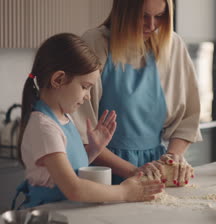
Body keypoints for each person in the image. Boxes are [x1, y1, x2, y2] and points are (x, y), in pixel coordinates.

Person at [71, 0, 202, 186]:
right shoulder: (95, 43)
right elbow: (81, 134)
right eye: (143, 16)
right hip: (101, 174)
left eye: (159, 16)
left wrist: (172, 158)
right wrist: (134, 171)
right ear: (124, 11)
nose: (152, 25)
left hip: (153, 172)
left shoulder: (173, 46)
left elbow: (188, 119)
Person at [12, 33, 164, 209]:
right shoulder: (44, 127)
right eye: (85, 87)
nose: (87, 97)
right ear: (58, 79)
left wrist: (93, 150)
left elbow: (69, 169)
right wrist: (125, 192)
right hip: (49, 214)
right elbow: (74, 188)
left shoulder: (63, 118)